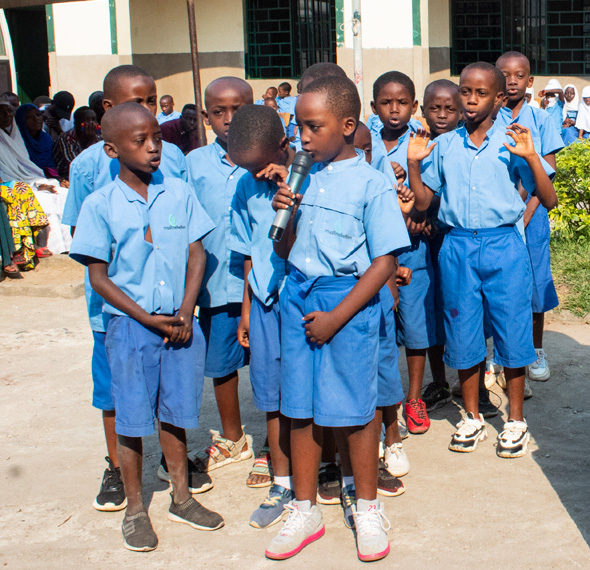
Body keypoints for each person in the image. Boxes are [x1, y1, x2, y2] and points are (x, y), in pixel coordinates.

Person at [266, 75, 410, 562]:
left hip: (346, 302)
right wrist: (284, 212)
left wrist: (336, 317)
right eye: (297, 126)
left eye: (312, 126)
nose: (301, 137)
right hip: (298, 296)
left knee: (355, 408)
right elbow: (283, 249)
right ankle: (304, 508)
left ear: (348, 126)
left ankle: (366, 507)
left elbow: (384, 262)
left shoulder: (371, 182)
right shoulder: (298, 175)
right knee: (300, 408)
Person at [69, 102, 223, 552]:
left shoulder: (178, 193)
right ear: (112, 148)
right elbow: (99, 277)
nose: (154, 147)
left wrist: (186, 308)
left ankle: (181, 496)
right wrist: (146, 318)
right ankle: (135, 509)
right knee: (133, 419)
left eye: (157, 137)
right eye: (141, 141)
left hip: (178, 323)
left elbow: (198, 254)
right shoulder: (100, 204)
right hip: (131, 329)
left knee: (175, 416)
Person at [407, 61, 558, 458]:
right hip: (457, 246)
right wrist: (414, 164)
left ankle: (516, 421)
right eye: (465, 91)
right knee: (463, 328)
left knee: (512, 327)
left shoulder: (513, 141)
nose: (471, 100)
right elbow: (424, 202)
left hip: (503, 245)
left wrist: (531, 158)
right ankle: (472, 416)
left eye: (480, 93)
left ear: (499, 98)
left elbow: (549, 196)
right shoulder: (445, 145)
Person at [62, 64, 193, 514]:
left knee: (169, 398)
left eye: (152, 102)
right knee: (116, 395)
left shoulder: (171, 160)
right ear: (109, 109)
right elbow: (89, 243)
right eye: (136, 103)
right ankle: (117, 468)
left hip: (168, 302)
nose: (148, 118)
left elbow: (185, 232)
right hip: (115, 308)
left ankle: (176, 480)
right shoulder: (86, 170)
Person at [226, 104, 295, 527]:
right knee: (271, 398)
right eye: (244, 168)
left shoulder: (312, 179)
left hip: (306, 301)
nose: (254, 175)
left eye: (260, 166)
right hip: (266, 304)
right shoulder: (244, 190)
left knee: (312, 392)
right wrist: (247, 310)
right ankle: (282, 480)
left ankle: (328, 470)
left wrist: (290, 186)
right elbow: (250, 253)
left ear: (285, 147)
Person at [186, 77, 254, 477]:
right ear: (207, 116)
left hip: (262, 285)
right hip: (215, 284)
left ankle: (273, 444)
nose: (230, 119)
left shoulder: (270, 161)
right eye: (219, 112)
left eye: (238, 110)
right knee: (222, 364)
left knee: (269, 364)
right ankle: (233, 437)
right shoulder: (193, 164)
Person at [370, 71, 441, 435]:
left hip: (413, 250)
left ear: (414, 107)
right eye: (386, 103)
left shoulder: (422, 141)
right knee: (380, 327)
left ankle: (413, 398)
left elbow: (428, 195)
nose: (394, 110)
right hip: (374, 254)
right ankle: (384, 400)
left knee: (416, 328)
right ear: (373, 107)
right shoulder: (363, 142)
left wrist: (418, 214)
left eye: (402, 103)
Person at [496, 52, 562, 384]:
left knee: (536, 283)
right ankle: (499, 353)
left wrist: (527, 212)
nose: (511, 81)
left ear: (530, 82)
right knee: (500, 286)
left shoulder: (542, 120)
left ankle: (536, 350)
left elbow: (546, 175)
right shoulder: (489, 120)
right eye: (504, 75)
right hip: (498, 217)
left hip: (532, 216)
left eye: (519, 75)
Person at [354, 120, 412, 493]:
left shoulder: (379, 187)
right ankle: (368, 443)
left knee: (385, 368)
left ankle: (392, 436)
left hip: (377, 292)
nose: (361, 157)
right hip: (345, 293)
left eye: (367, 150)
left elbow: (388, 245)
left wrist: (392, 280)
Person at [415, 79, 463, 412]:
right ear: (423, 110)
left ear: (460, 111)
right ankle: (439, 382)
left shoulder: (464, 143)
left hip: (454, 237)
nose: (442, 115)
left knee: (460, 309)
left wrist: (435, 217)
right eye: (435, 108)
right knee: (431, 310)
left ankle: (473, 378)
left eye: (449, 109)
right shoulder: (416, 144)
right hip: (424, 242)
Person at [0, 100, 69, 258]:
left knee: (63, 193)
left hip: (28, 179)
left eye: (10, 112)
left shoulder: (16, 136)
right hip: (10, 183)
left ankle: (69, 243)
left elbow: (26, 167)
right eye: (2, 112)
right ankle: (53, 245)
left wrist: (40, 183)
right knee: (43, 200)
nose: (7, 116)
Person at [53, 106, 102, 180]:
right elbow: (79, 166)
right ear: (76, 123)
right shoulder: (65, 138)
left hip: (90, 174)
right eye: (87, 120)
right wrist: (90, 141)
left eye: (94, 120)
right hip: (67, 175)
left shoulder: (98, 136)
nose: (91, 124)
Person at [16, 104, 60, 179]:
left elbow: (50, 166)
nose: (36, 119)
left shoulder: (46, 138)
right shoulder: (18, 141)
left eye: (38, 115)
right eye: (29, 117)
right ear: (21, 120)